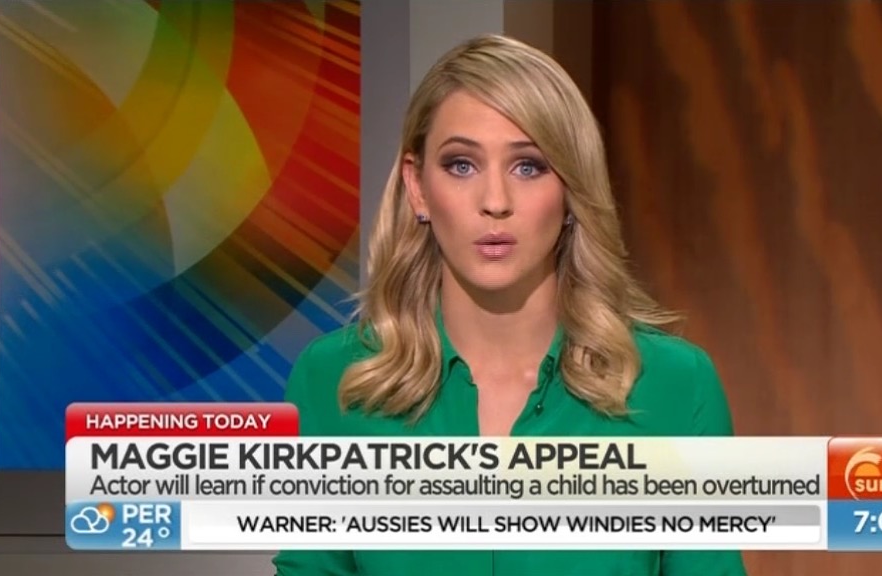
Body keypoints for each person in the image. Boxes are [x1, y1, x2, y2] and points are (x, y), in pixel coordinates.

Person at [273, 34, 747, 576]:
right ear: (417, 187)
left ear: (570, 190)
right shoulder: (333, 381)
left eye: (528, 167)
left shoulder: (675, 385)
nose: (495, 202)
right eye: (461, 165)